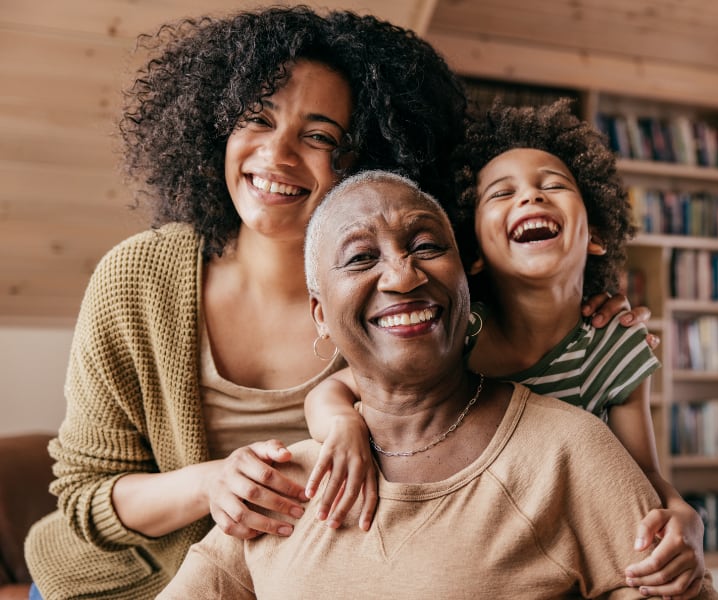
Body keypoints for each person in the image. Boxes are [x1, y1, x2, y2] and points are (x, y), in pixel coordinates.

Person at [23, 7, 646, 599]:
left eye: (319, 135)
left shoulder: (411, 300)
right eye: (258, 119)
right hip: (117, 583)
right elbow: (84, 498)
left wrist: (604, 318)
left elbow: (545, 351)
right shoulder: (139, 278)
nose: (277, 154)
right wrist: (213, 483)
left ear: (365, 156)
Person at [157, 170, 718, 599]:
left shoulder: (566, 451)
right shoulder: (275, 490)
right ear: (320, 315)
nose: (403, 275)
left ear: (467, 281)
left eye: (428, 246)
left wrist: (682, 517)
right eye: (360, 257)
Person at [304, 100, 704, 599]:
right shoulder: (456, 334)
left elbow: (642, 474)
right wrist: (342, 425)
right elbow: (335, 391)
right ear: (470, 254)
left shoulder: (616, 346)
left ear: (595, 232)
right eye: (502, 193)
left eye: (553, 185)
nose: (532, 197)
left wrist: (686, 518)